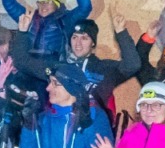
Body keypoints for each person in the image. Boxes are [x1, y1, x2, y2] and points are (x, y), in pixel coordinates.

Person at [10, 13, 139, 113]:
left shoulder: (104, 69)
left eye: (84, 38)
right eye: (74, 37)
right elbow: (22, 61)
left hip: (92, 132)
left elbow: (133, 65)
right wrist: (22, 32)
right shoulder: (57, 67)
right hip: (60, 126)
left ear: (93, 43)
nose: (78, 43)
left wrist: (121, 33)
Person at [0, 0, 93, 59]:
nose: (43, 5)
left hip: (54, 67)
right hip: (29, 66)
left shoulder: (65, 20)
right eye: (41, 2)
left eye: (48, 2)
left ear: (57, 5)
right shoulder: (29, 18)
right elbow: (9, 3)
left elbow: (85, 7)